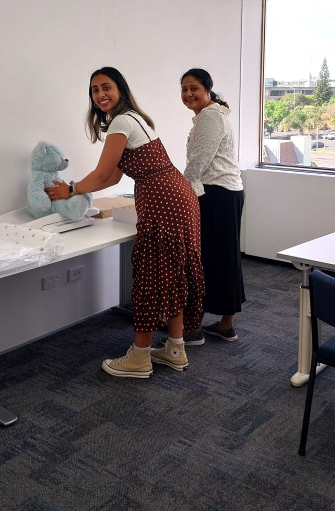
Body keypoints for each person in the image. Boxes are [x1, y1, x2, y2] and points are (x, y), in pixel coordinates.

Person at [46, 67, 204, 379]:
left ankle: (140, 357)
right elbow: (116, 174)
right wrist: (78, 189)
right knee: (170, 273)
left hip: (162, 198)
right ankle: (175, 348)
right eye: (94, 90)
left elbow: (104, 174)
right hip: (176, 194)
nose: (100, 95)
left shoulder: (121, 121)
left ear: (120, 90)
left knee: (151, 274)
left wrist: (70, 190)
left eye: (106, 88)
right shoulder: (133, 118)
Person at [180, 68, 245, 344]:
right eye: (184, 89)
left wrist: (178, 193)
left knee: (208, 260)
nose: (188, 94)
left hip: (216, 194)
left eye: (194, 88)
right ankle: (225, 324)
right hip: (223, 192)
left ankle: (193, 327)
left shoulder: (209, 118)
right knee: (222, 259)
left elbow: (198, 163)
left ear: (208, 89)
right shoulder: (209, 116)